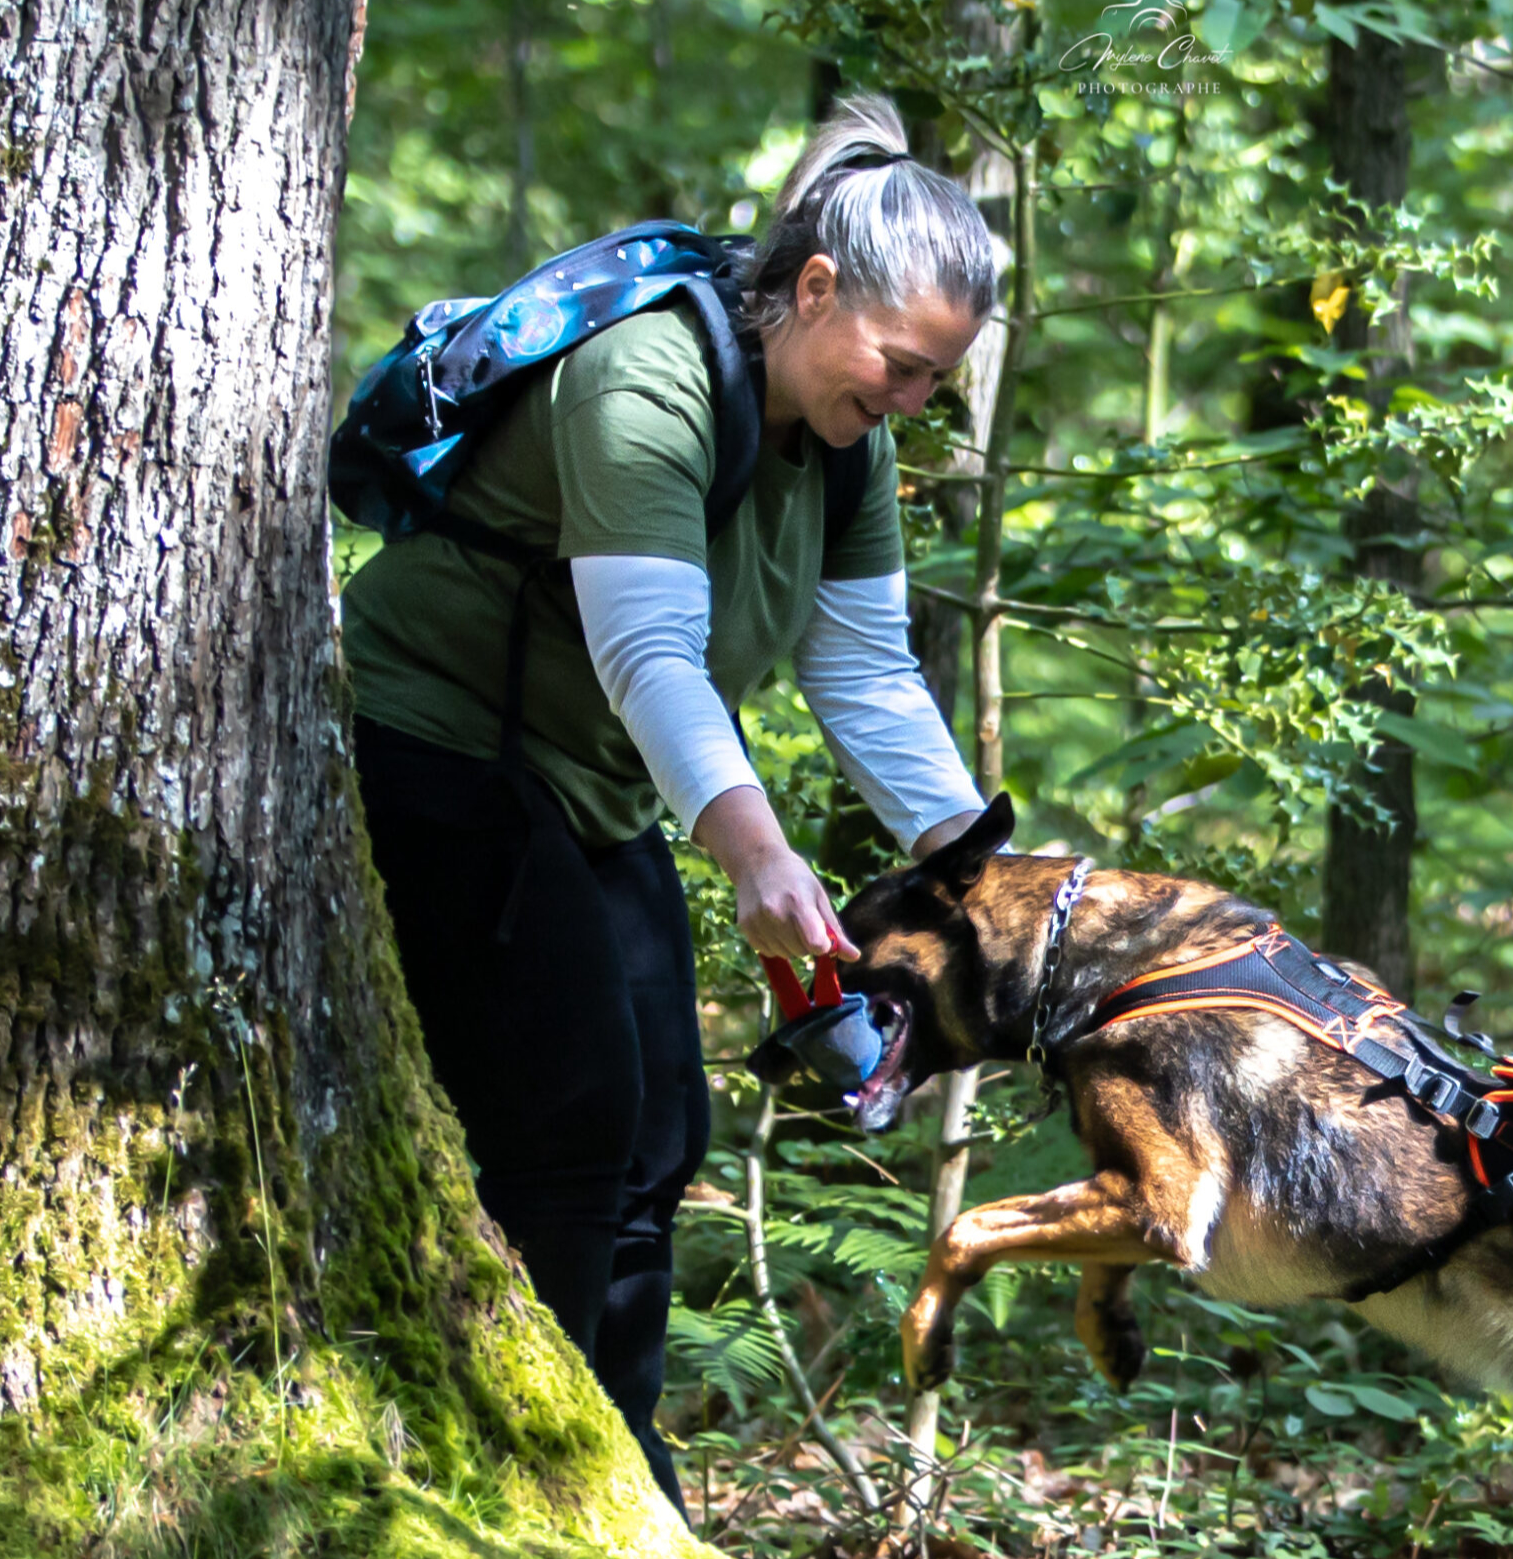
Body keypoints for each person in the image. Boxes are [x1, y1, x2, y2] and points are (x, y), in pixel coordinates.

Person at [339, 93, 994, 1508]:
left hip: (589, 784)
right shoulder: (647, 376)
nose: (908, 401)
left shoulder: (851, 445)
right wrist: (756, 852)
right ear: (814, 290)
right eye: (898, 364)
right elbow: (649, 652)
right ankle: (520, 1472)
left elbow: (864, 670)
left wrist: (992, 879)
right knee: (574, 1117)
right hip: (440, 749)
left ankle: (619, 1470)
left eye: (935, 380)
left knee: (659, 1134)